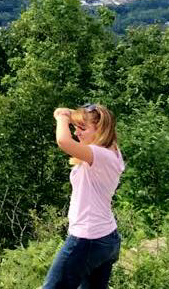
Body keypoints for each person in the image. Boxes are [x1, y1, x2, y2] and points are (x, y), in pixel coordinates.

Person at [41, 103, 125, 289]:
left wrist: (62, 118)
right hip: (107, 239)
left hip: (87, 239)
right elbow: (94, 121)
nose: (77, 133)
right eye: (76, 128)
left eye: (82, 129)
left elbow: (64, 141)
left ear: (100, 130)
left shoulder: (99, 155)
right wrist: (73, 116)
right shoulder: (112, 151)